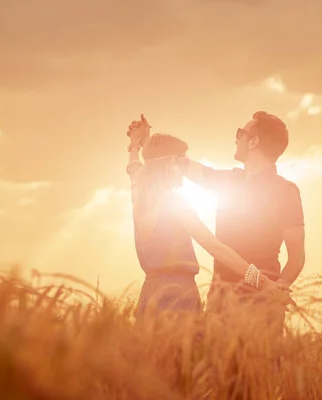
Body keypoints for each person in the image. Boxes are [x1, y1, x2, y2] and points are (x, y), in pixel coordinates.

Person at [129, 112, 305, 338]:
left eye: (241, 133)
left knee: (259, 372)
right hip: (220, 301)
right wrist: (148, 145)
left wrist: (276, 289)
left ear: (253, 141)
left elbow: (297, 257)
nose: (236, 137)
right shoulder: (227, 181)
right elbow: (175, 162)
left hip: (261, 302)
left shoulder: (286, 192)